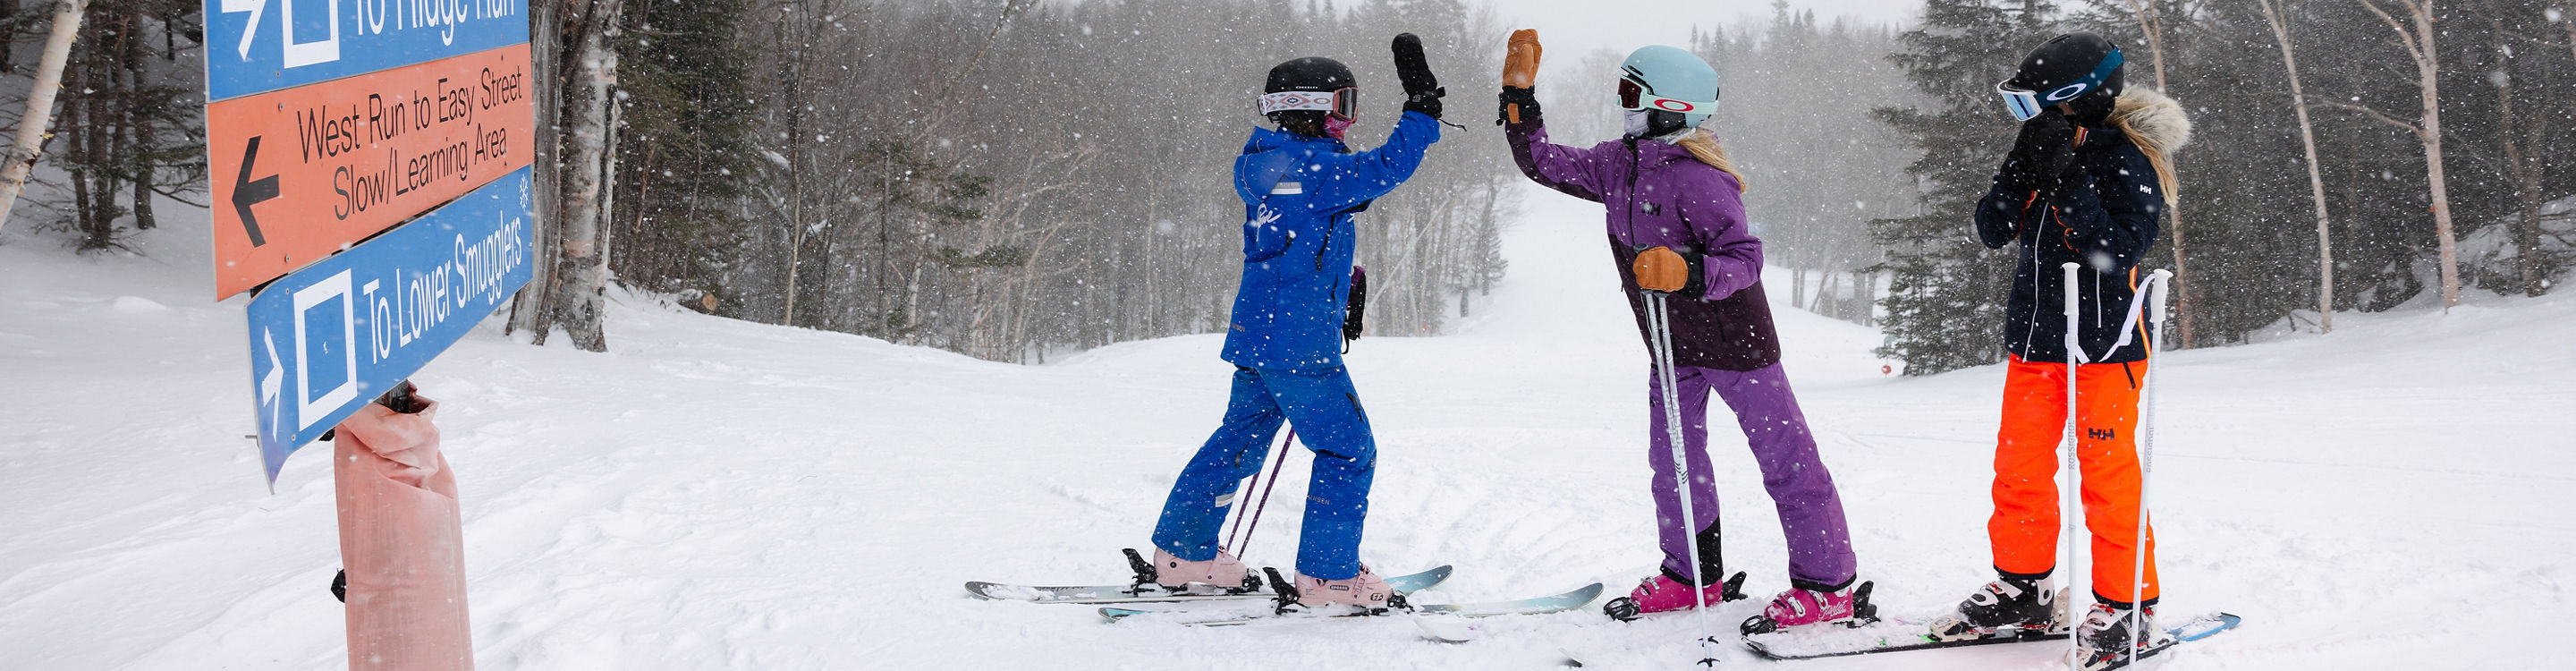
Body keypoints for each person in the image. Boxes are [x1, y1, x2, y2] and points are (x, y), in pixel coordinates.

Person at [1496, 31, 1867, 632]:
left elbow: (1745, 258)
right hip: (1669, 345)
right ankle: (1692, 575)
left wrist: (1689, 272)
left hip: (1736, 343)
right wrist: (1519, 97)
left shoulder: (1700, 178)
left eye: (1630, 94)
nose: (1622, 105)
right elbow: (1544, 163)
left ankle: (1828, 586)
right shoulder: (1618, 163)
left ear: (1671, 106)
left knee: (1786, 460)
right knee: (1673, 463)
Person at [1142, 34, 1447, 611]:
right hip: (1298, 344)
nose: (1348, 119)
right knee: (1349, 450)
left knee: (1238, 441)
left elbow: (1298, 235)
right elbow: (1389, 165)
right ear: (1313, 107)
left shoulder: (1270, 164)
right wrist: (1421, 112)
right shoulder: (1318, 170)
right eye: (1344, 105)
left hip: (1261, 334)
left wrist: (1339, 281)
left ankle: (1184, 553)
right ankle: (1329, 578)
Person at [1924, 31, 2192, 667]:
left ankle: (2127, 606)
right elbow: (1992, 229)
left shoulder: (2130, 155)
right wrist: (2020, 172)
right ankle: (2024, 588)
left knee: (2106, 476)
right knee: (2019, 469)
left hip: (2106, 344)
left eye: (2038, 104)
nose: (2032, 117)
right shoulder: (2038, 139)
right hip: (2035, 340)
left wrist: (2069, 179)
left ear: (2082, 95)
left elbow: (2116, 252)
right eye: (2022, 107)